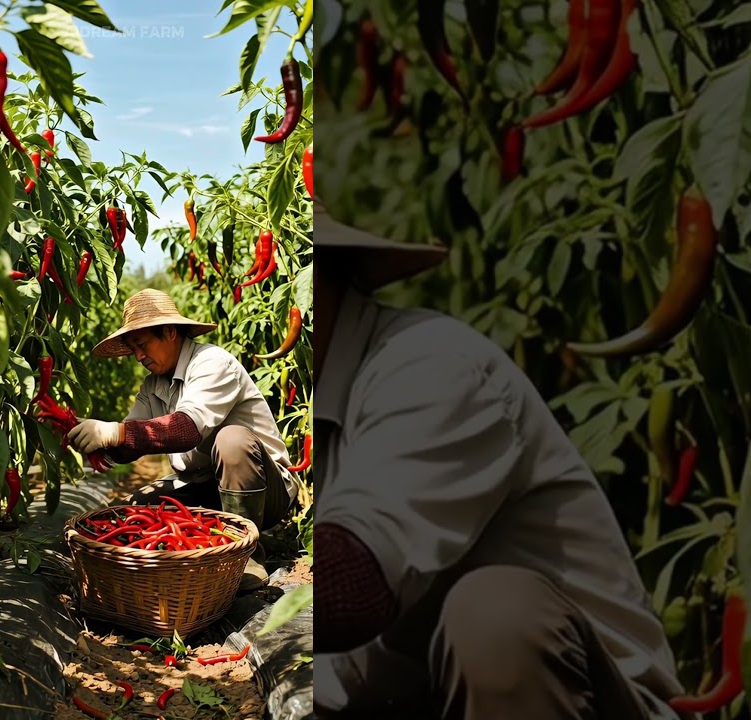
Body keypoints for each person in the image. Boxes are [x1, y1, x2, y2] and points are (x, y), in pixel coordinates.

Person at [311, 199, 689, 719]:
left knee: (495, 616)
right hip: (432, 699)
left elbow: (352, 586)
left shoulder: (427, 366)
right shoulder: (321, 405)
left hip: (585, 704)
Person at [65, 288, 304, 590]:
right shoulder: (153, 386)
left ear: (169, 331)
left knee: (232, 440)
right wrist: (95, 439)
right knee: (137, 509)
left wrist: (115, 431)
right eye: (132, 349)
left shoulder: (212, 363)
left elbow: (185, 429)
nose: (139, 356)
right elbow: (131, 440)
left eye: (142, 344)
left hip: (266, 491)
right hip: (206, 487)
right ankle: (201, 552)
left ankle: (246, 555)